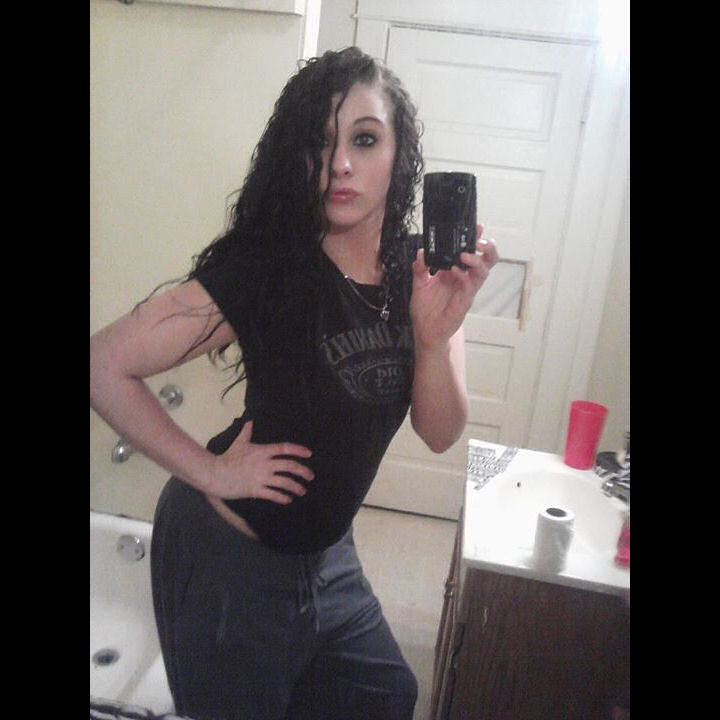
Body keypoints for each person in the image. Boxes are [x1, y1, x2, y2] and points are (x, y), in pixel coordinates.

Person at [90, 46, 498, 720]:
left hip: (328, 554)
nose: (339, 164)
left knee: (386, 695)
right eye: (319, 141)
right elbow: (103, 364)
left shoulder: (422, 272)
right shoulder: (267, 270)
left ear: (398, 153)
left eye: (364, 139)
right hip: (230, 554)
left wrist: (433, 337)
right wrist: (210, 470)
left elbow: (440, 432)